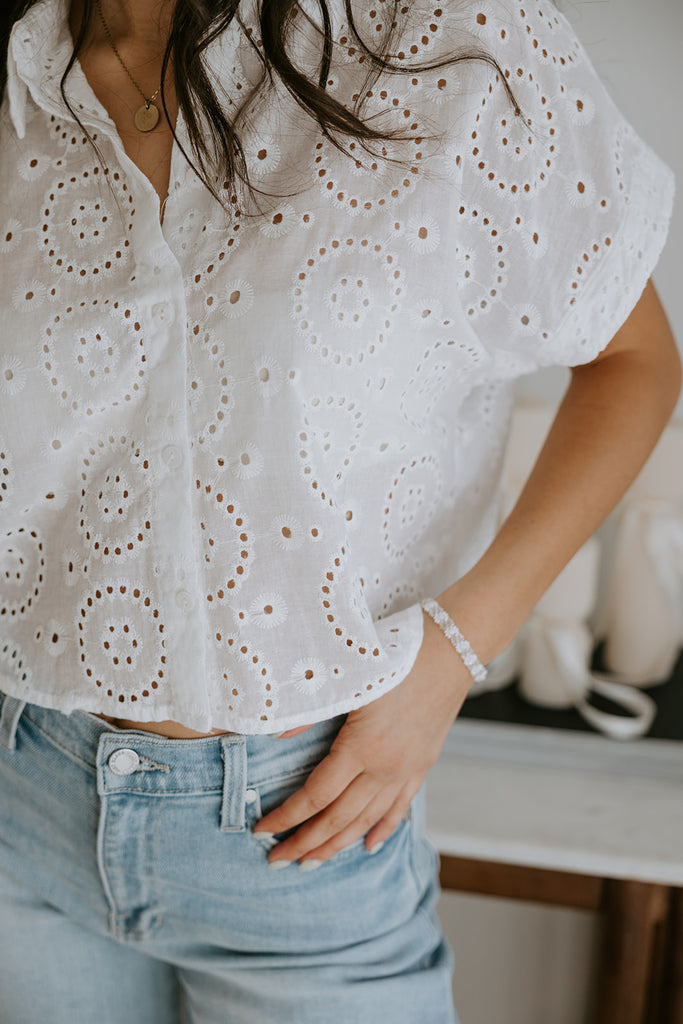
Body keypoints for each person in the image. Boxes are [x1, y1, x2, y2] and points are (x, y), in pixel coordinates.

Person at [0, 0, 679, 1020]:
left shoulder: (438, 35)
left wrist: (449, 658)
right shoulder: (21, 72)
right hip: (21, 791)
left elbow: (632, 363)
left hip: (303, 826)